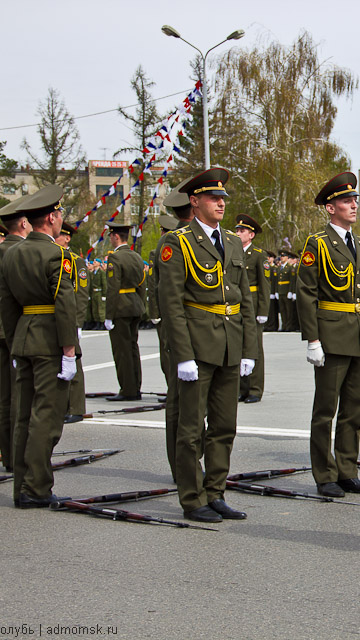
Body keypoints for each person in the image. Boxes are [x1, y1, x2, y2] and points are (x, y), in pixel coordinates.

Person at [158, 167, 256, 523]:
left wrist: (249, 349)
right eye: (214, 198)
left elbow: (244, 299)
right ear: (195, 201)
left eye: (223, 198)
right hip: (197, 347)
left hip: (229, 344)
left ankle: (216, 492)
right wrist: (183, 355)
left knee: (224, 426)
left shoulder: (232, 241)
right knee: (190, 430)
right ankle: (192, 497)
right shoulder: (177, 242)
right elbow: (171, 304)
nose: (221, 203)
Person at [296, 171, 360, 498]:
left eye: (355, 200)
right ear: (331, 208)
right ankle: (325, 474)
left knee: (354, 408)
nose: (354, 205)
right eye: (347, 201)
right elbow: (307, 294)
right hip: (332, 335)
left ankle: (348, 470)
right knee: (325, 410)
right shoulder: (317, 244)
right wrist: (313, 340)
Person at [0, 185, 79, 507]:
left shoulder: (11, 254)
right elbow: (65, 305)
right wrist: (69, 351)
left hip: (23, 338)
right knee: (46, 417)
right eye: (59, 214)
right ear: (51, 218)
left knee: (23, 416)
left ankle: (22, 485)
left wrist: (13, 343)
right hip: (49, 342)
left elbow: (7, 305)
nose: (60, 219)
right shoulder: (57, 255)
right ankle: (37, 488)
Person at [0, 197, 32, 468]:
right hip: (25, 327)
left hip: (1, 328)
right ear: (23, 223)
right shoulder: (25, 251)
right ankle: (20, 456)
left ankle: (8, 456)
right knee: (21, 395)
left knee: (5, 395)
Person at [150, 187, 193, 481]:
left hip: (206, 329)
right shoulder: (172, 241)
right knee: (179, 399)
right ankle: (182, 467)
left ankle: (191, 464)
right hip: (180, 328)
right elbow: (165, 292)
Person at [103, 221, 146, 401]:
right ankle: (135, 386)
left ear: (115, 236)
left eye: (111, 236)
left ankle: (127, 389)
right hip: (135, 305)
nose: (110, 239)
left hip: (120, 308)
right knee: (133, 348)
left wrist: (108, 315)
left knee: (122, 351)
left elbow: (113, 288)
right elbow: (142, 284)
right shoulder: (136, 257)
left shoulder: (115, 258)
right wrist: (142, 305)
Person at [55, 222, 90, 421]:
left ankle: (76, 407)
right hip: (56, 317)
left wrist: (77, 322)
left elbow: (81, 294)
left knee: (73, 360)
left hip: (70, 318)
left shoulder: (76, 261)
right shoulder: (53, 257)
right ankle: (62, 405)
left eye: (59, 235)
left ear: (67, 238)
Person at [235, 213, 270, 403]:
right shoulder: (233, 252)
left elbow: (265, 285)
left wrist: (263, 311)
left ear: (251, 235)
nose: (238, 233)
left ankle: (255, 389)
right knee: (239, 347)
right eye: (237, 230)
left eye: (242, 231)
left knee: (254, 347)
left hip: (254, 305)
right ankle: (242, 388)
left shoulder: (258, 254)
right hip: (237, 305)